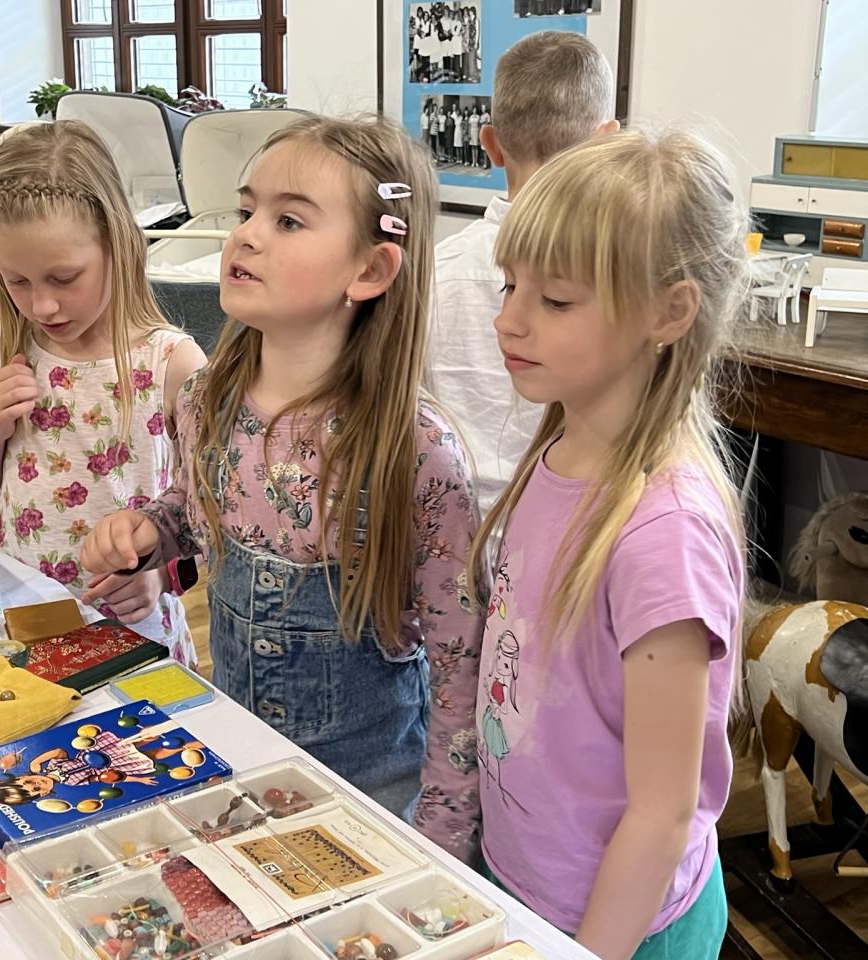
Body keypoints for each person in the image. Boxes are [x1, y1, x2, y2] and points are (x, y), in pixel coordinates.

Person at [81, 116, 484, 862]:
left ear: (370, 271)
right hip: (237, 760)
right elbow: (201, 507)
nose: (246, 235)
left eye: (288, 220)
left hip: (371, 796)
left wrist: (445, 832)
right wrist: (151, 531)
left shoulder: (416, 451)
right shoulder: (205, 399)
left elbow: (461, 659)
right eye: (246, 210)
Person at [472, 129, 747, 960]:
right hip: (529, 885)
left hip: (621, 930)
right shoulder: (556, 451)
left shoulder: (663, 537)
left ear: (668, 312)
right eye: (510, 285)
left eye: (555, 300)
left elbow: (664, 813)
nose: (509, 318)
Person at [0, 121, 205, 666]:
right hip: (24, 616)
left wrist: (161, 575)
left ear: (117, 244)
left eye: (65, 278)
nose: (42, 306)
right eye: (17, 281)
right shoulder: (10, 338)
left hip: (131, 628)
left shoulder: (171, 362)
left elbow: (211, 515)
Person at [430, 32, 618, 514]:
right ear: (607, 141)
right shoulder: (620, 278)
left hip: (450, 524)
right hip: (575, 524)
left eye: (556, 300)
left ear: (489, 144)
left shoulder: (434, 273)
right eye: (511, 287)